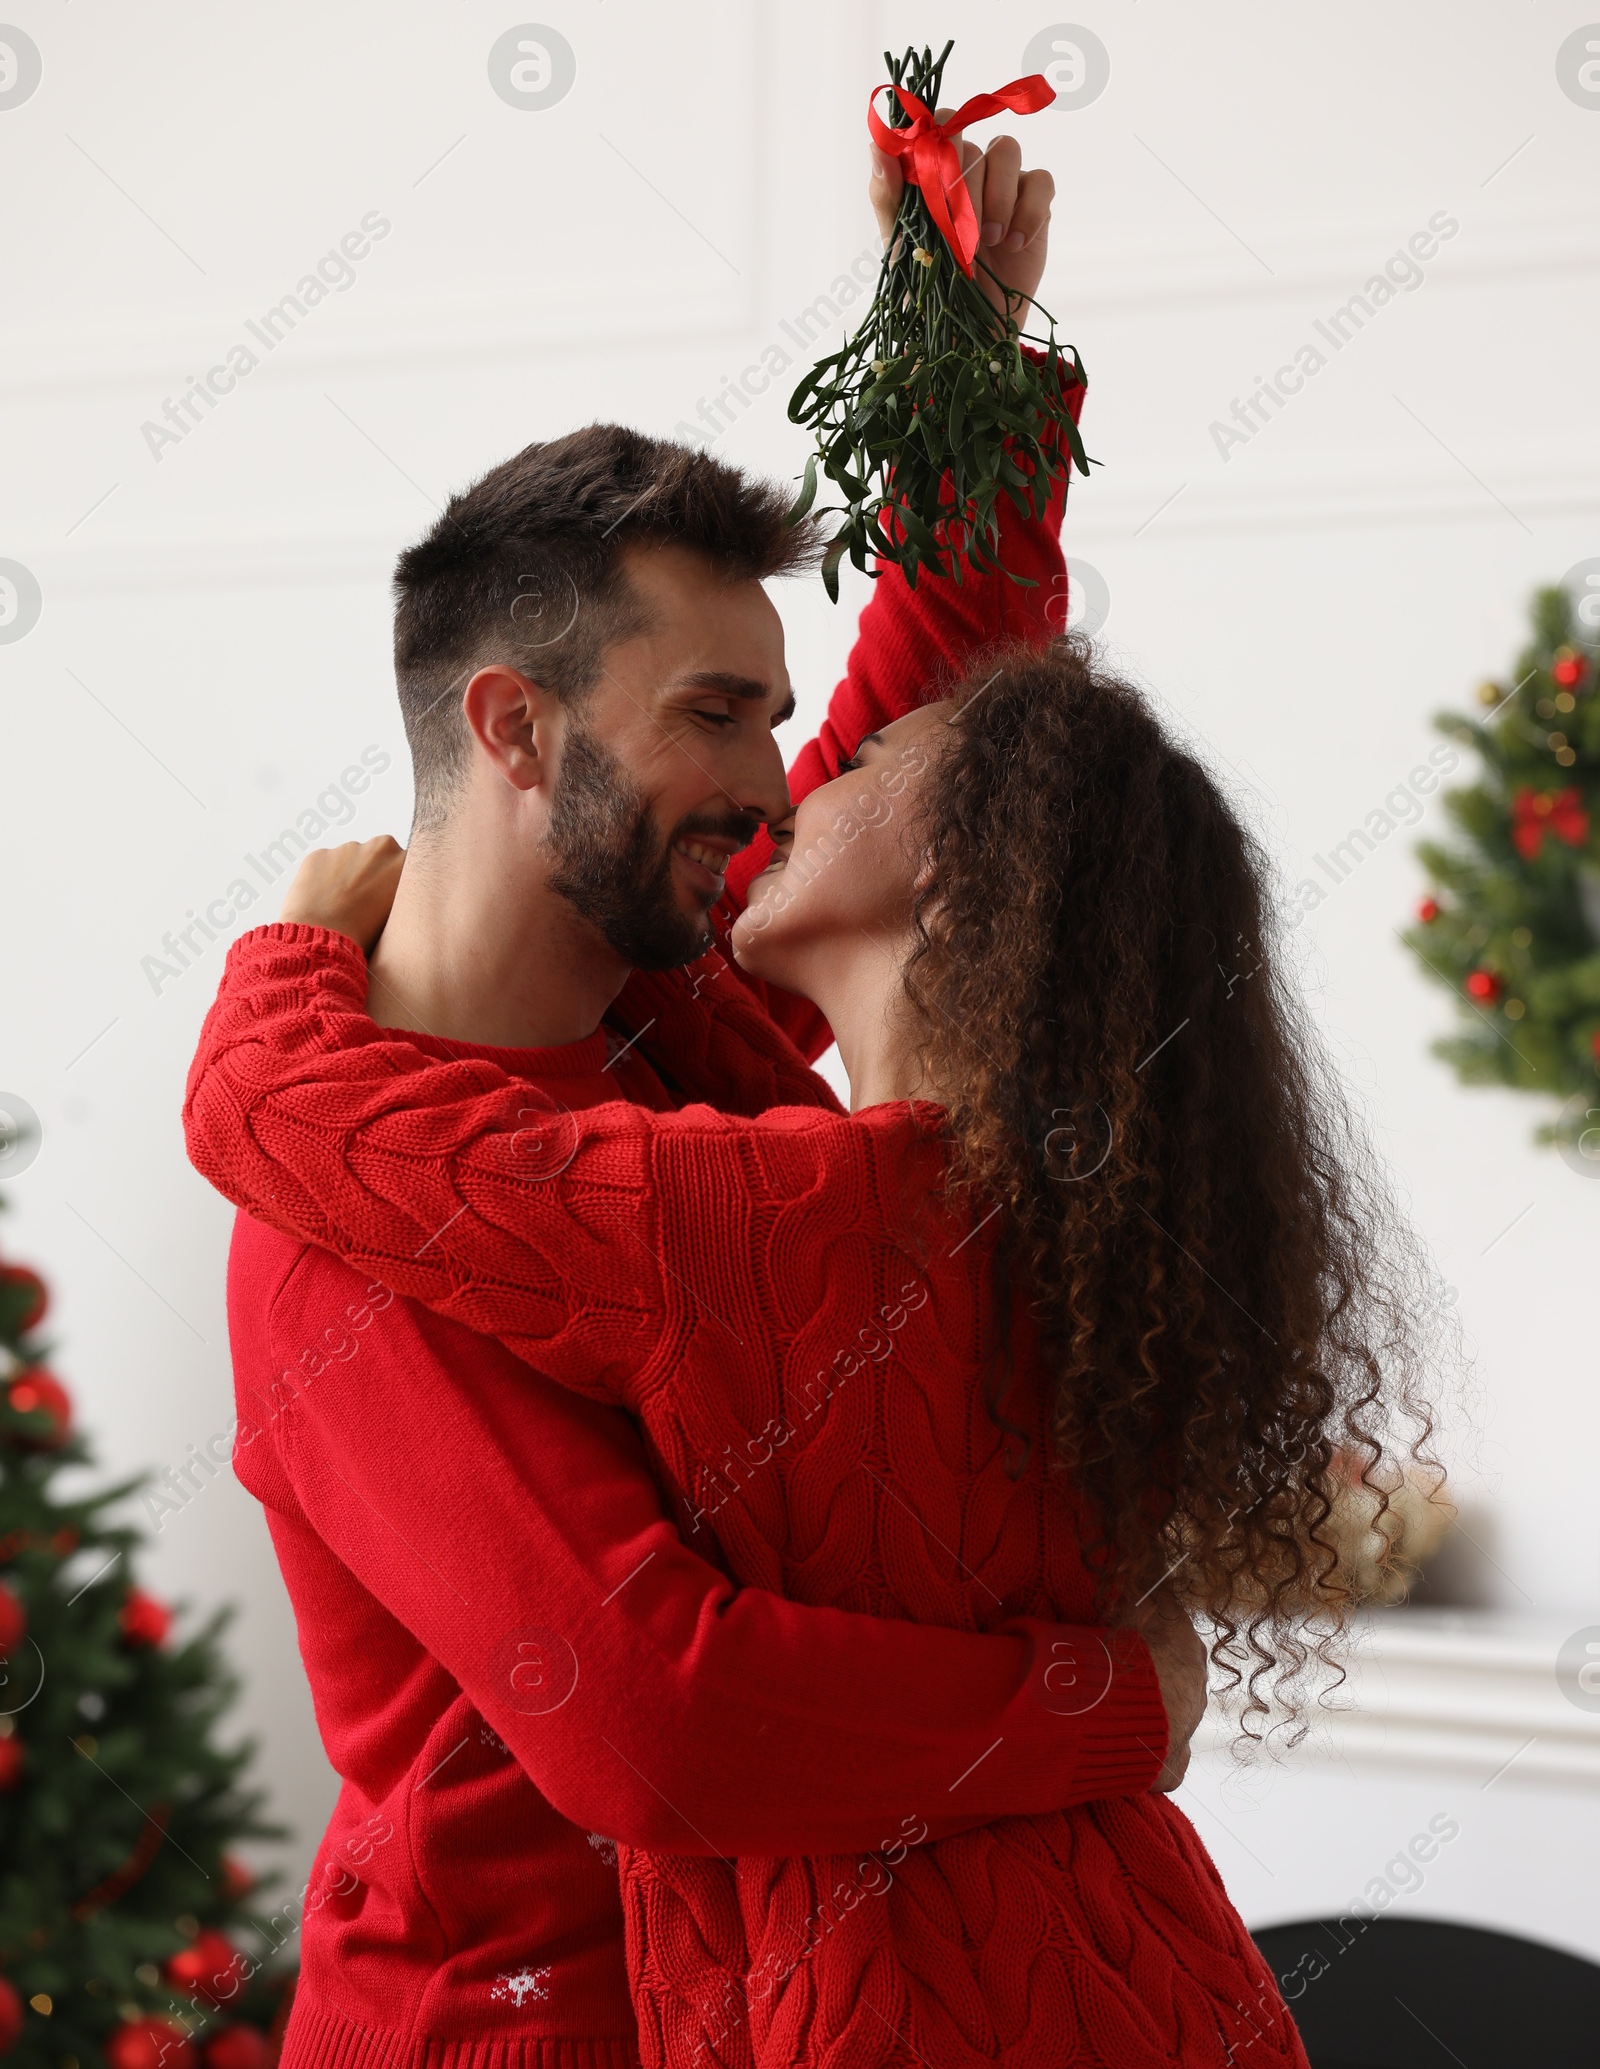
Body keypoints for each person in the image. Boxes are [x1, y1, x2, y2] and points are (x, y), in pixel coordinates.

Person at [193, 132, 1214, 2069]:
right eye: (715, 715)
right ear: (513, 728)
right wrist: (1108, 1710)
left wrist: (965, 365)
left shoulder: (676, 1030)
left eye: (775, 708)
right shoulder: (350, 1228)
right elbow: (661, 1712)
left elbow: (913, 781)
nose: (773, 777)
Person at [185, 638, 1430, 2068]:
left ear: (955, 879)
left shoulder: (764, 1221)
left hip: (897, 2012)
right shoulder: (1102, 1231)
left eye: (863, 765)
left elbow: (271, 1112)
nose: (791, 790)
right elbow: (690, 993)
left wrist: (295, 950)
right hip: (1148, 1965)